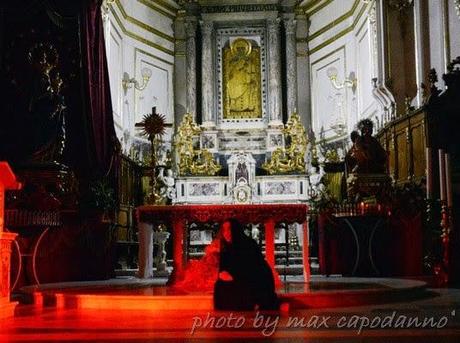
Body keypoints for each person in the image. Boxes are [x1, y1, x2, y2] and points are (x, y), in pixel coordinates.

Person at [214, 219, 279, 311]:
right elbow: (223, 266)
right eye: (224, 230)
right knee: (220, 285)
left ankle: (256, 303)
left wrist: (234, 276)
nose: (226, 233)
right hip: (237, 277)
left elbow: (253, 269)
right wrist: (223, 274)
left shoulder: (248, 244)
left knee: (239, 286)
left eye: (229, 229)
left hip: (256, 279)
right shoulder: (225, 246)